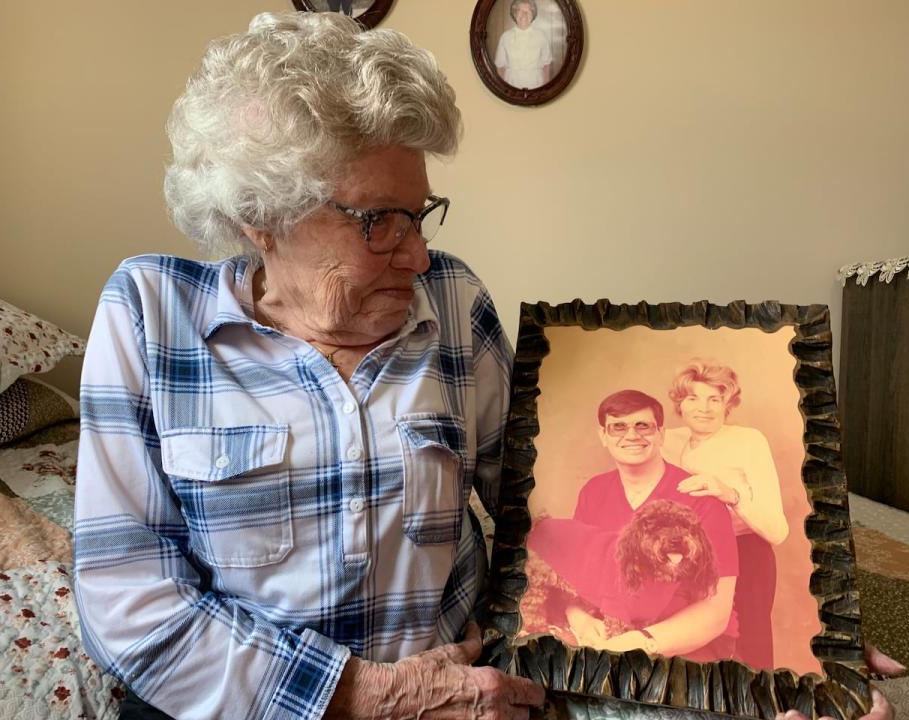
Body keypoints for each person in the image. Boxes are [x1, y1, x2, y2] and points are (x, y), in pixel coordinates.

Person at [72, 11, 544, 719]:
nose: (416, 255)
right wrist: (367, 697)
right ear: (261, 215)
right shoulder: (151, 315)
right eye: (379, 220)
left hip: (451, 695)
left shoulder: (453, 299)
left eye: (420, 215)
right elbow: (125, 598)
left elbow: (539, 514)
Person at [528, 390, 740, 661]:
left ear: (661, 434)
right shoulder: (593, 491)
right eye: (618, 427)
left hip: (687, 642)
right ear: (603, 436)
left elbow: (716, 610)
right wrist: (579, 619)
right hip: (613, 630)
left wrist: (642, 642)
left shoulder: (702, 500)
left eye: (643, 426)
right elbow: (577, 575)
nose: (631, 436)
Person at [661, 359, 789, 670]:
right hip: (687, 559)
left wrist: (730, 494)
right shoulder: (667, 440)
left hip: (746, 551)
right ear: (680, 403)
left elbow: (777, 531)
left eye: (714, 399)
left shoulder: (748, 441)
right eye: (693, 398)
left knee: (751, 647)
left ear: (727, 403)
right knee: (688, 643)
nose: (703, 408)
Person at [494, 0, 552, 89]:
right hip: (512, 85)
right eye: (520, 10)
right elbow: (500, 66)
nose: (524, 14)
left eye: (528, 11)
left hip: (536, 86)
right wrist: (503, 89)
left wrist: (546, 89)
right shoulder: (505, 37)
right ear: (514, 14)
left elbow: (546, 65)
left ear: (533, 15)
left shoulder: (541, 36)